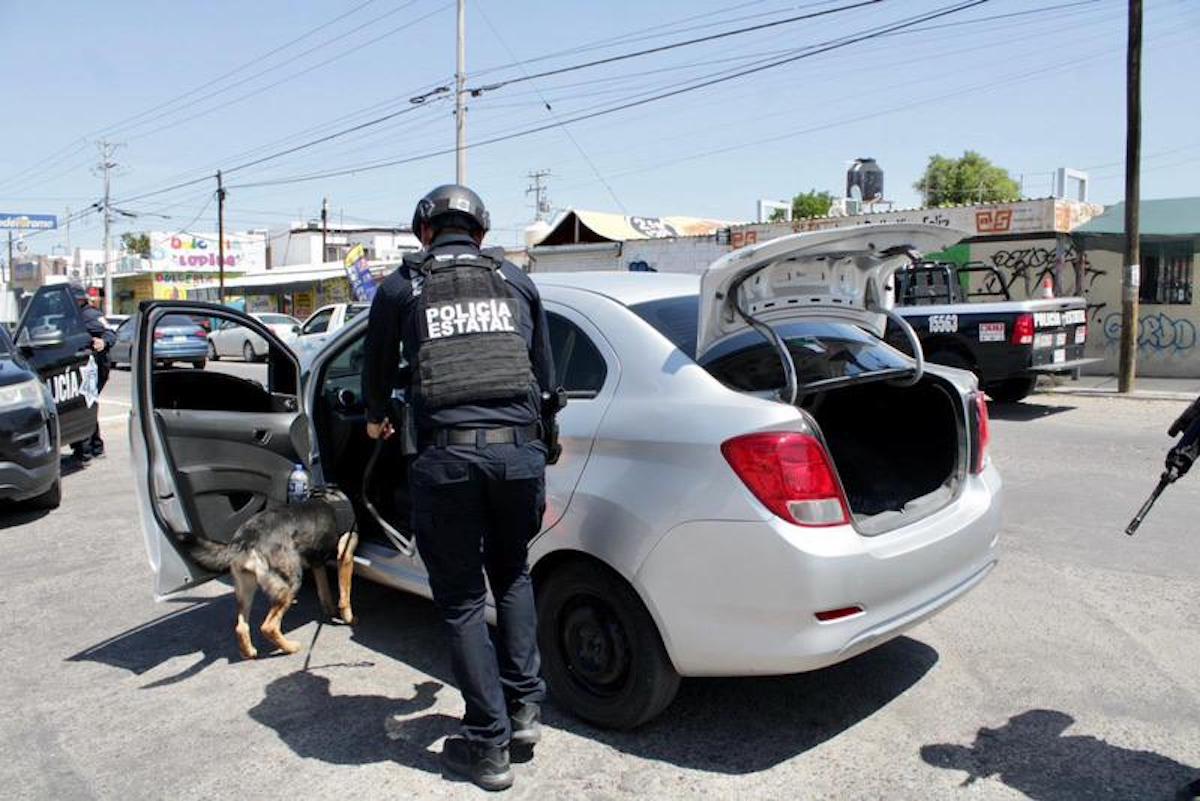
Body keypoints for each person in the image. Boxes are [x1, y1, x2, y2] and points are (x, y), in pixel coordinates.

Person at [361, 184, 558, 792]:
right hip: (518, 456)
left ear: (424, 231)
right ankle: (523, 711)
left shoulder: (403, 286)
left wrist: (376, 417)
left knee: (463, 600)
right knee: (513, 573)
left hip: (447, 461)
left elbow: (375, 373)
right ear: (481, 232)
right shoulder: (515, 280)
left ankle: (488, 745)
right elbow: (546, 379)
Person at [71, 286, 115, 462]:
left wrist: (103, 342)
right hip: (84, 368)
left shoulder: (89, 314)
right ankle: (92, 447)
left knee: (85, 404)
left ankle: (87, 450)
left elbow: (110, 333)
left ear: (80, 300)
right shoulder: (74, 315)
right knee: (86, 403)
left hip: (94, 368)